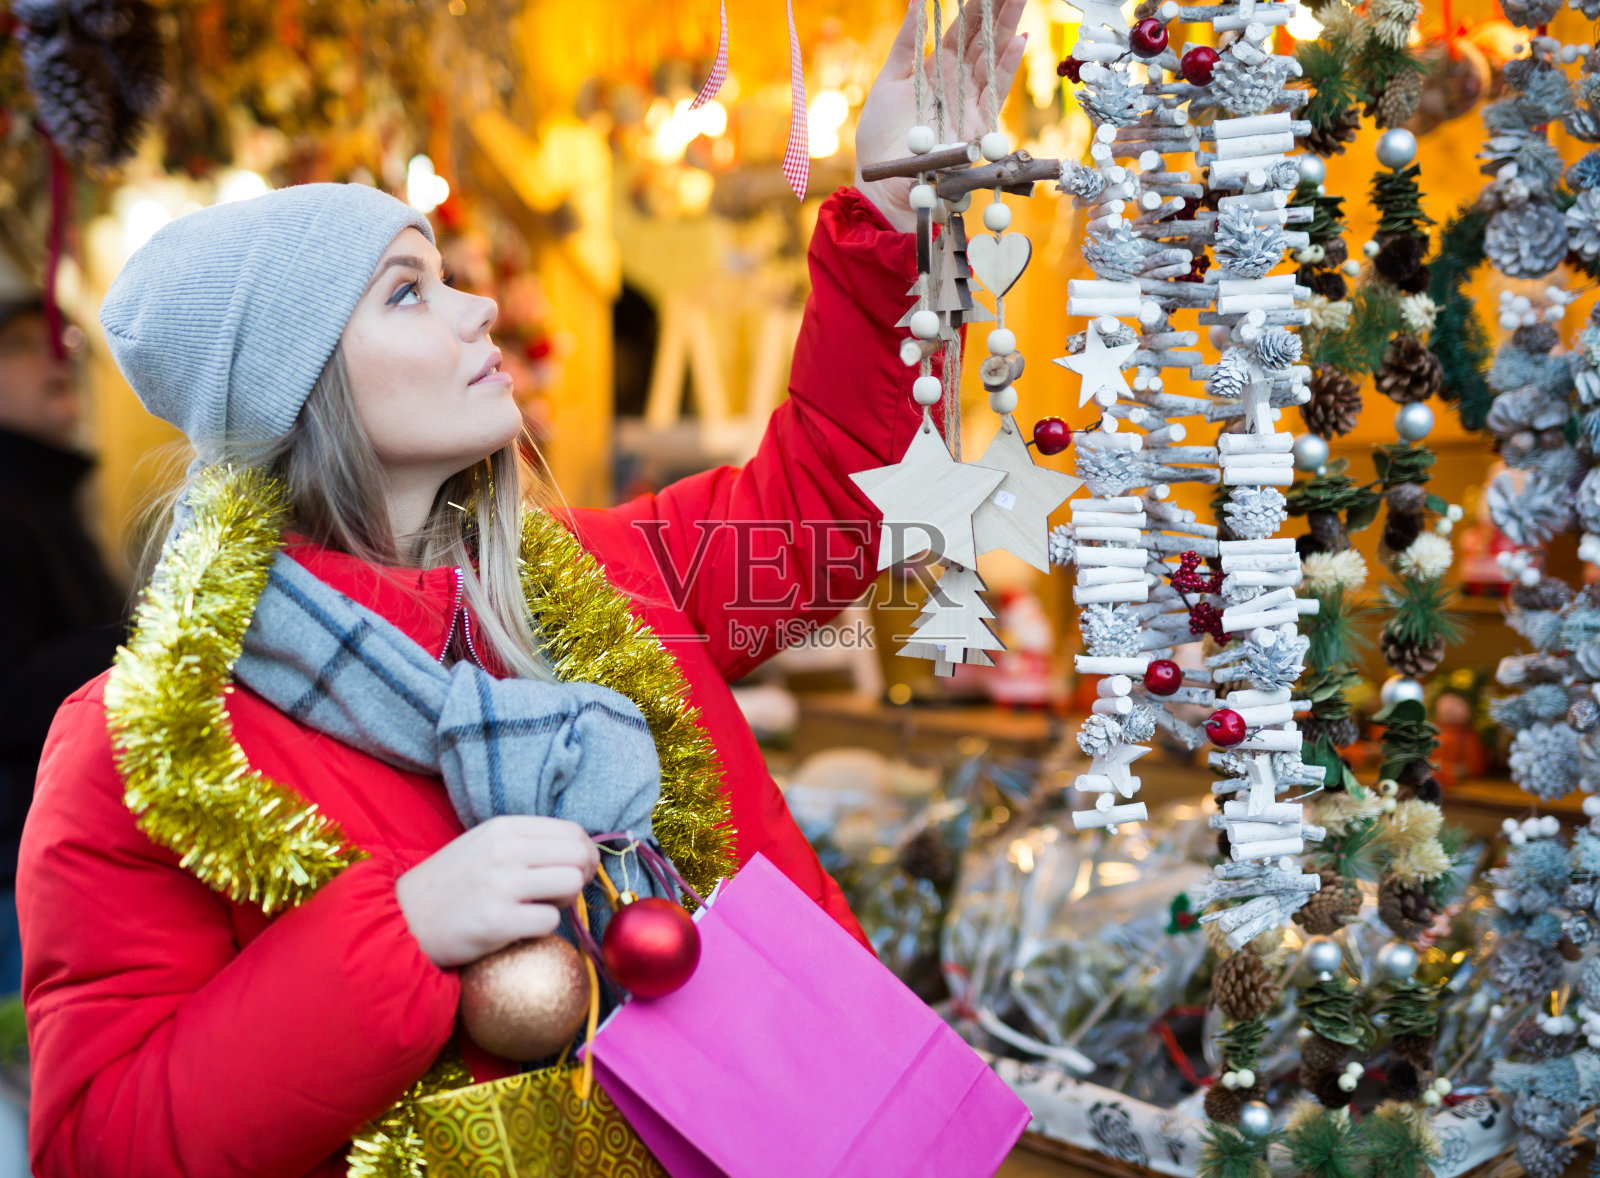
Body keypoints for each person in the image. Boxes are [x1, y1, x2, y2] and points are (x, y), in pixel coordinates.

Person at [18, 3, 1027, 1175]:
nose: (480, 306)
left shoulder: (613, 579)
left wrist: (895, 208)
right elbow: (100, 1144)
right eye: (407, 291)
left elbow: (837, 499)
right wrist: (402, 933)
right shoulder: (145, 745)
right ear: (294, 388)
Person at [0, 297, 126, 995]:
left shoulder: (45, 499)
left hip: (64, 851)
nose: (58, 357)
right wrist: (143, 636)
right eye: (24, 343)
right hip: (19, 872)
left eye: (67, 341)